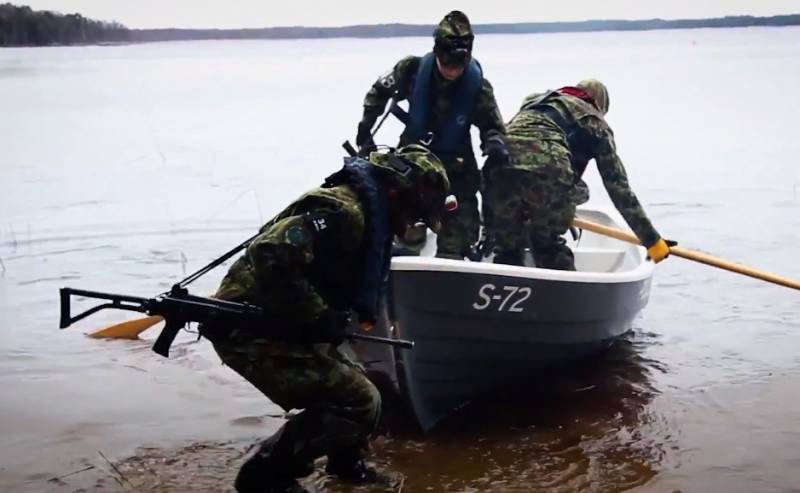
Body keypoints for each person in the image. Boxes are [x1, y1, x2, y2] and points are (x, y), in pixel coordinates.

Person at [200, 145, 451, 493]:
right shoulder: (344, 212)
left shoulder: (366, 210)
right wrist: (318, 314)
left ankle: (346, 466)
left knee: (363, 384)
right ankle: (266, 475)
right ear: (396, 193)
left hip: (287, 317)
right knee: (357, 399)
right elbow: (269, 252)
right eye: (413, 214)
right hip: (248, 324)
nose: (411, 224)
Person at [355, 10, 508, 260]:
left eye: (459, 66)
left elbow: (492, 124)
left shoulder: (478, 86)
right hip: (412, 159)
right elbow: (379, 93)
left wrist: (495, 144)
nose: (453, 71)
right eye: (448, 65)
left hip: (455, 164)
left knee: (460, 229)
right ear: (437, 53)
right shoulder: (412, 70)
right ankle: (403, 252)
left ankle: (452, 260)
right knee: (390, 214)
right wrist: (366, 126)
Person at [483, 79, 673, 269]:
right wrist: (652, 240)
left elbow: (521, 154)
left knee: (508, 248)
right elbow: (619, 188)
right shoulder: (596, 123)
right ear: (599, 105)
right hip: (549, 172)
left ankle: (500, 285)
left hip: (497, 168)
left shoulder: (536, 103)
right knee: (548, 247)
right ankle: (563, 294)